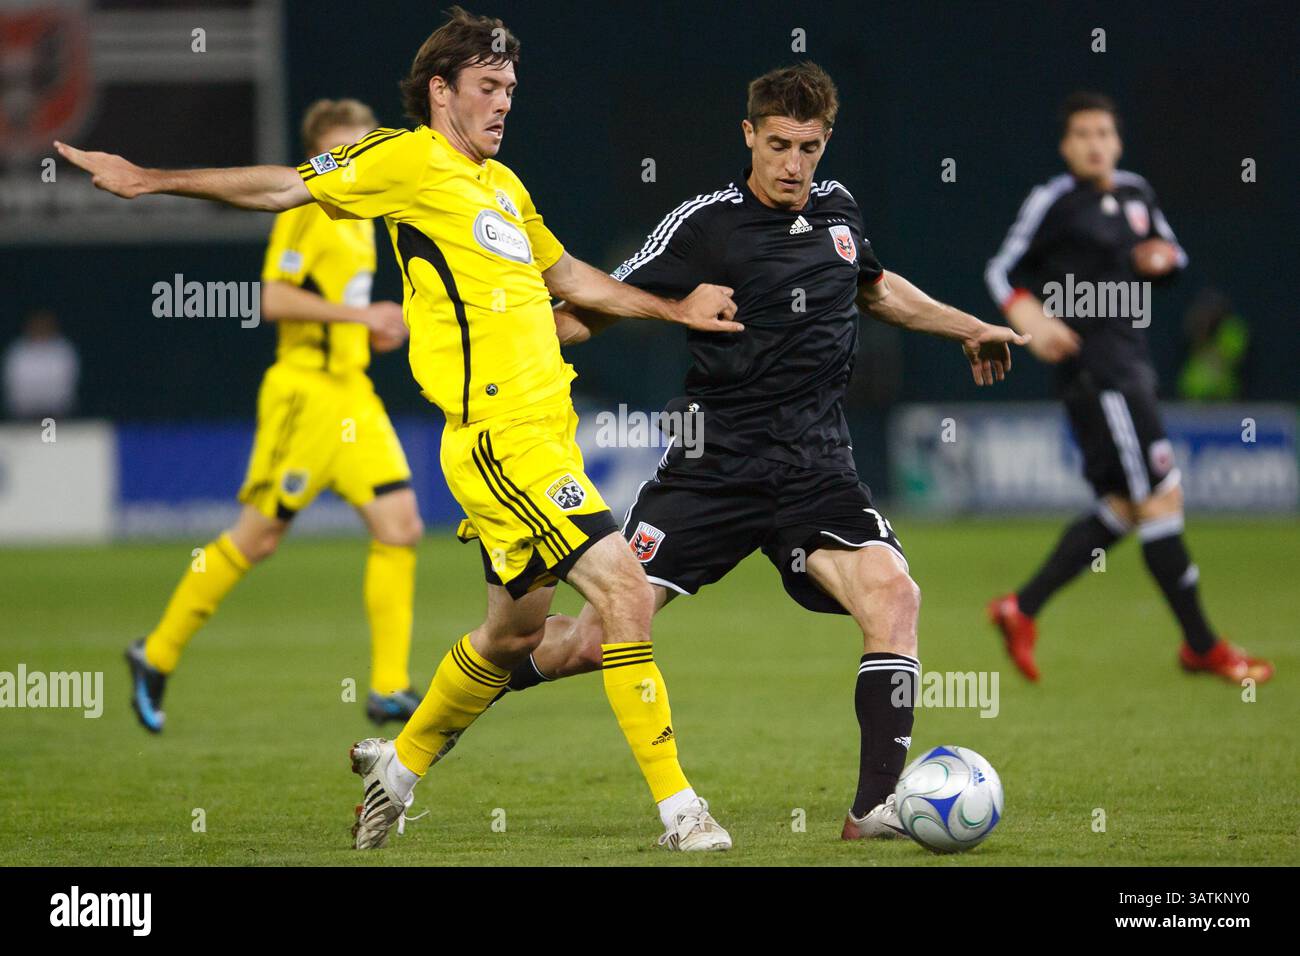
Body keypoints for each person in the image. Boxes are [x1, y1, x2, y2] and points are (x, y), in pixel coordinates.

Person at [58, 7, 741, 851]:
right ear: (440, 90)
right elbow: (282, 186)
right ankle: (681, 812)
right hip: (500, 437)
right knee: (626, 592)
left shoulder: (504, 187)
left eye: (511, 90)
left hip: (545, 433)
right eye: (488, 88)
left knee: (512, 635)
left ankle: (402, 764)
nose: (503, 104)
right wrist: (146, 177)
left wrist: (676, 309)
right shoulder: (404, 158)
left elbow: (570, 278)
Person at [500, 62, 1026, 841]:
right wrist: (508, 338)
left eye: (807, 147)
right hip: (712, 469)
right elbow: (599, 306)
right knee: (588, 637)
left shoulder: (839, 211)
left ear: (825, 142)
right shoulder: (704, 224)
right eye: (777, 144)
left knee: (895, 595)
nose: (792, 164)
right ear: (748, 135)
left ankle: (871, 811)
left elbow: (874, 288)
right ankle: (452, 699)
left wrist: (968, 326)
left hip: (816, 468)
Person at [120, 98, 426, 733]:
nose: (354, 158)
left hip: (353, 393)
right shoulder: (309, 209)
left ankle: (388, 687)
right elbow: (276, 298)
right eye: (342, 148)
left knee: (400, 526)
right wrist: (359, 317)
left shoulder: (360, 216)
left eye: (361, 144)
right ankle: (156, 652)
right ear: (319, 154)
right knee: (258, 537)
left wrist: (370, 329)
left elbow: (335, 302)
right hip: (305, 397)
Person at [983, 92, 1273, 685]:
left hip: (1129, 366)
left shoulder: (1138, 192)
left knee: (1123, 505)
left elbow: (1172, 254)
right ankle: (1203, 647)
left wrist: (1164, 260)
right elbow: (1001, 267)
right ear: (1066, 146)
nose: (1095, 143)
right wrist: (1031, 319)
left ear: (1117, 142)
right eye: (1083, 134)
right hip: (1098, 374)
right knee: (1161, 497)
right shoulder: (1055, 202)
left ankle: (1021, 607)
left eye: (1104, 133)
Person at [2, 310, 79, 420]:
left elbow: (67, 384)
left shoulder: (63, 350)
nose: (40, 329)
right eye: (37, 325)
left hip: (57, 414)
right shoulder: (17, 352)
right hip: (23, 414)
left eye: (44, 325)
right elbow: (12, 383)